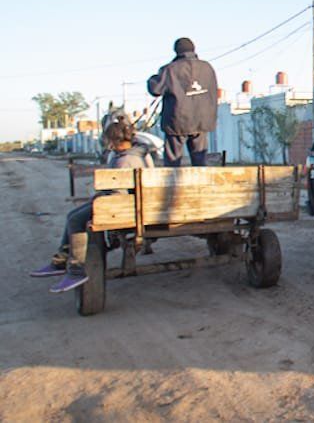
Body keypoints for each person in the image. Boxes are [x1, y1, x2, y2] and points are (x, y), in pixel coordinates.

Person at [29, 119, 150, 292]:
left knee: (75, 219)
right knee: (74, 214)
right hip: (145, 205)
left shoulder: (123, 160)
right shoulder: (143, 154)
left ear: (113, 141)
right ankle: (62, 258)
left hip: (126, 209)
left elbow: (118, 195)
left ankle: (76, 266)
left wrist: (102, 197)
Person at [147, 37, 218, 167]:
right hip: (202, 121)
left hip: (177, 122)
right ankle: (200, 185)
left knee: (173, 162)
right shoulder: (207, 68)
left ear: (176, 51)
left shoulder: (170, 69)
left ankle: (172, 186)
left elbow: (155, 89)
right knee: (200, 160)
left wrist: (153, 78)